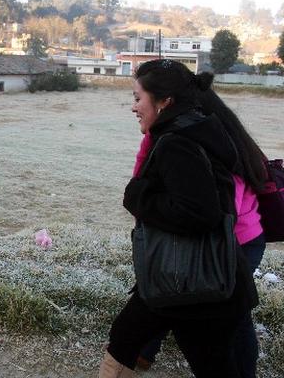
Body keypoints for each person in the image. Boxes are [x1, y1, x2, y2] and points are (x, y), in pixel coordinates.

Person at [98, 59, 259, 378]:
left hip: (189, 281)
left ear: (164, 102)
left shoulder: (178, 143)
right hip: (200, 278)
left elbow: (199, 213)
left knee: (129, 341)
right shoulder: (195, 131)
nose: (134, 107)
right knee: (127, 338)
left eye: (137, 98)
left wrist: (137, 196)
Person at [135, 82, 268, 378]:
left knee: (220, 312)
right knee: (220, 308)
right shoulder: (228, 134)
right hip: (245, 238)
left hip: (228, 242)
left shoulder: (198, 141)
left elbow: (216, 208)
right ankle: (142, 352)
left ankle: (142, 352)